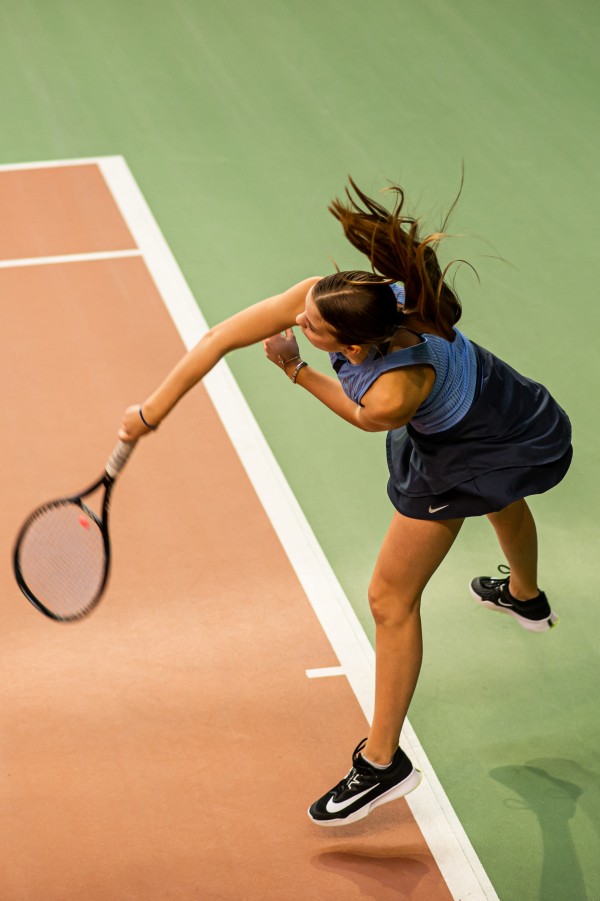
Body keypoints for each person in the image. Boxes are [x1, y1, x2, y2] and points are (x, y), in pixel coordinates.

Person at [119, 179, 572, 827]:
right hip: (496, 394)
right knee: (505, 501)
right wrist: (150, 412)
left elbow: (365, 415)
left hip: (475, 443)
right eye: (305, 311)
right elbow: (220, 336)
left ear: (352, 348)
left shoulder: (392, 390)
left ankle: (383, 763)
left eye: (310, 327)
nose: (298, 319)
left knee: (390, 597)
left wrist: (295, 369)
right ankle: (525, 596)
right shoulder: (346, 299)